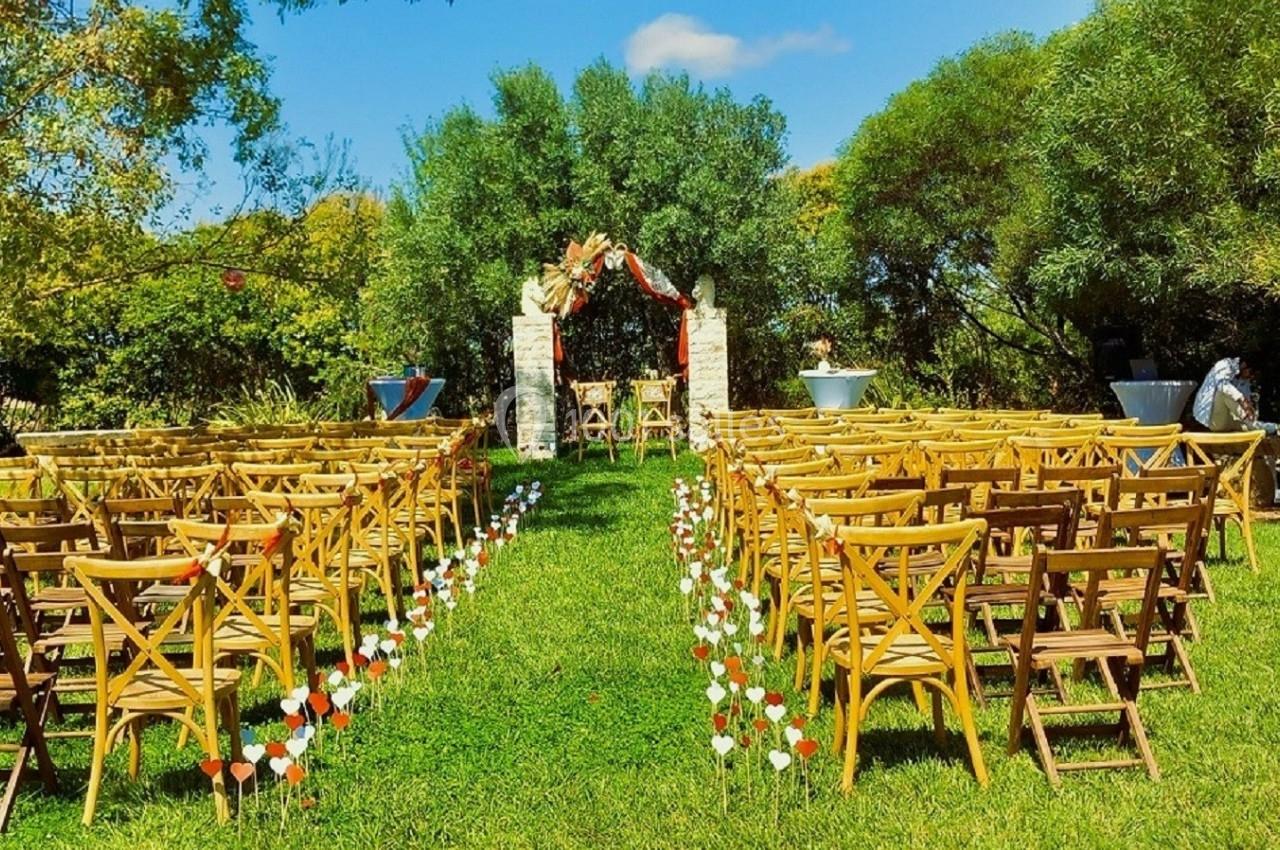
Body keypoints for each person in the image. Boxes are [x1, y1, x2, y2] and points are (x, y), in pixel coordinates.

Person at [1192, 357, 1278, 435]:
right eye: (1251, 372)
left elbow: (1245, 403)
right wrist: (1243, 401)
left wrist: (1250, 408)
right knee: (1222, 392)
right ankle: (1248, 421)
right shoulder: (1225, 364)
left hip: (1231, 420)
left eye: (1253, 376)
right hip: (1213, 420)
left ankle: (1275, 427)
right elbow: (1222, 386)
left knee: (1255, 427)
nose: (1251, 377)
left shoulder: (1244, 382)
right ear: (1244, 365)